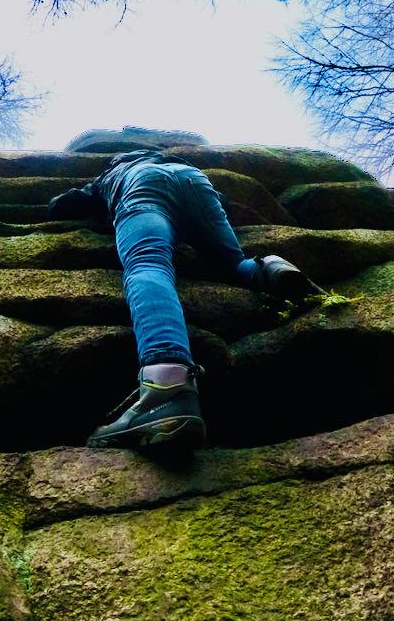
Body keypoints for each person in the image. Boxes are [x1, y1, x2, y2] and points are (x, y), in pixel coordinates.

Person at [48, 148, 324, 450]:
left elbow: (63, 205)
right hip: (197, 183)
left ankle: (166, 387)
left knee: (148, 263)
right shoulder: (179, 161)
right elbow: (226, 205)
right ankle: (271, 268)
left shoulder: (113, 172)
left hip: (140, 184)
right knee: (234, 264)